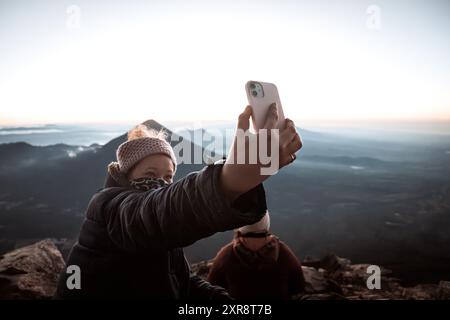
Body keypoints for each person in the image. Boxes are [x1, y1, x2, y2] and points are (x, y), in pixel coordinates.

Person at [55, 104, 302, 299]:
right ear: (126, 175)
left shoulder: (163, 237)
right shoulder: (109, 208)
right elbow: (159, 210)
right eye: (149, 175)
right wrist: (231, 178)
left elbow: (179, 281)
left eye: (168, 177)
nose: (160, 183)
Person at [207, 211, 306, 299]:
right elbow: (299, 286)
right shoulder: (283, 252)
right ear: (266, 224)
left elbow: (211, 288)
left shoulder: (226, 255)